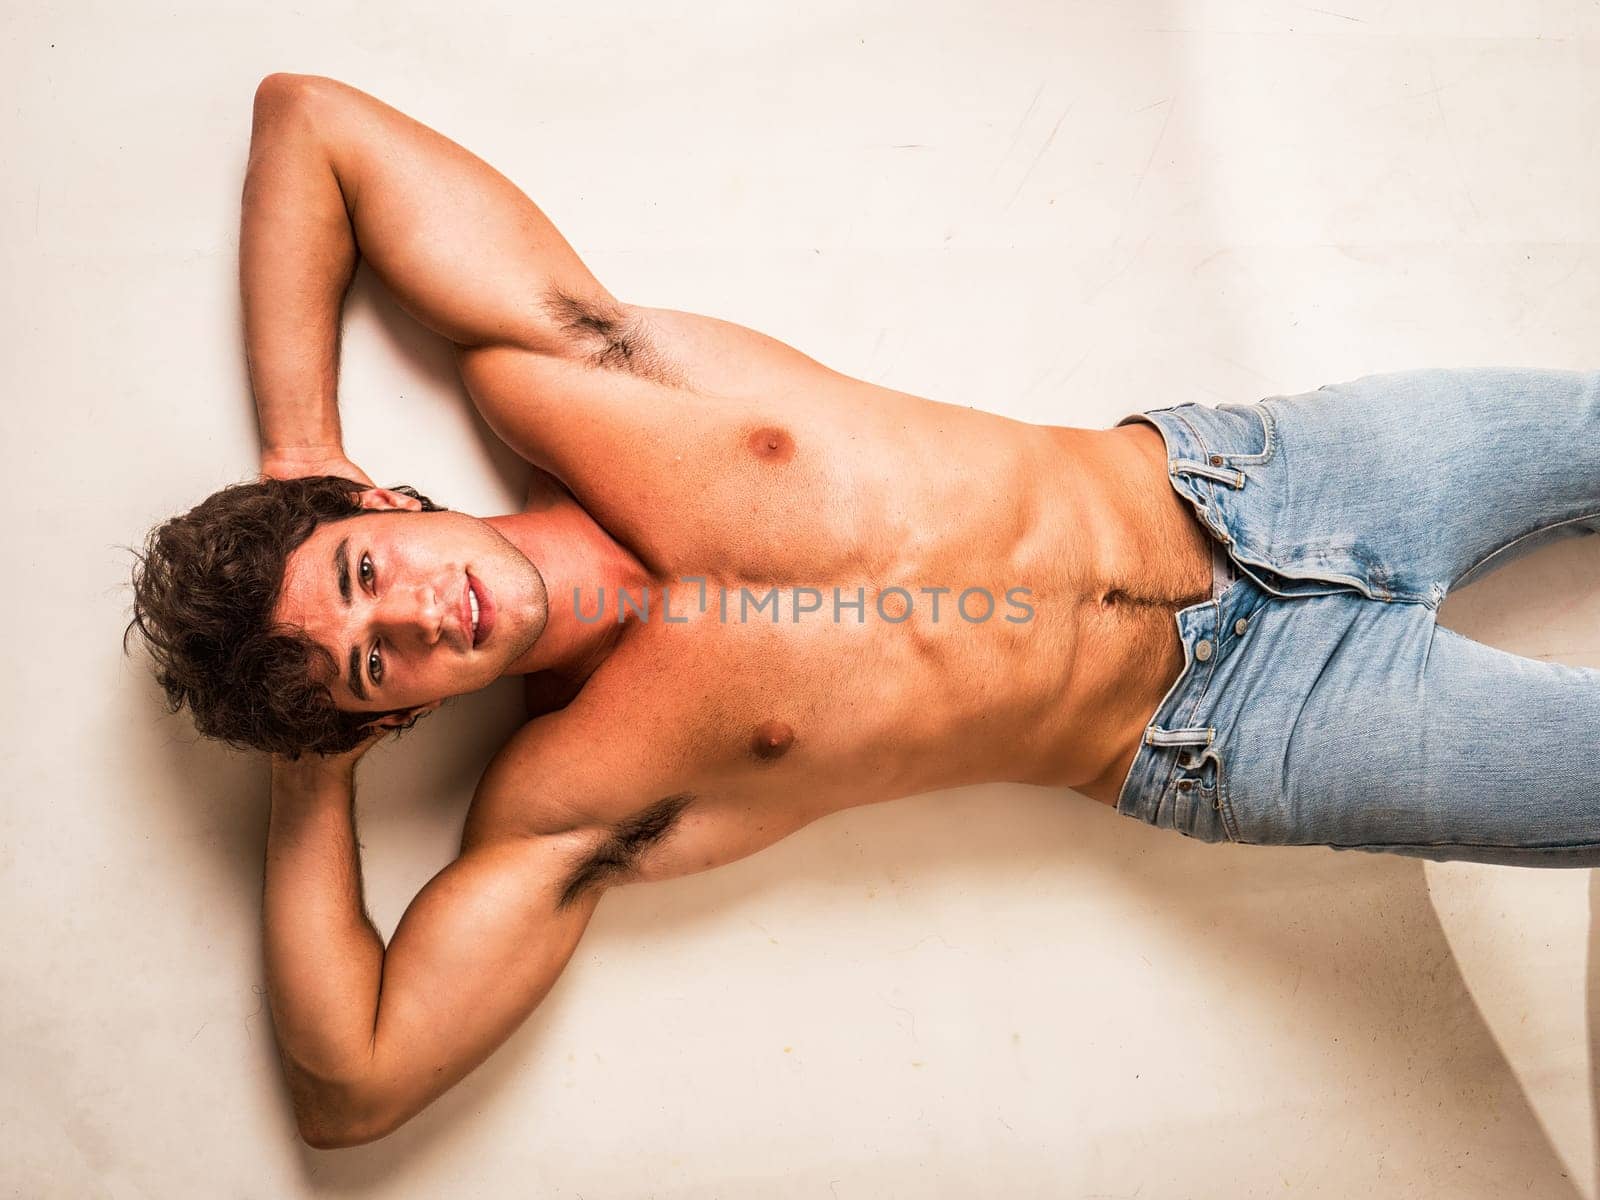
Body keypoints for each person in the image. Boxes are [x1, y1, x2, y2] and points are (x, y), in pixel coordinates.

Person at [126, 73, 1600, 1148]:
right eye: (379, 664)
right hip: (1235, 731)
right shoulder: (572, 799)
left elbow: (309, 125)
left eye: (365, 577)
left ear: (384, 504)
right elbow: (352, 1083)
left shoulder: (575, 376)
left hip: (1269, 480)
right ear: (402, 712)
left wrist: (296, 449)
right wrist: (312, 762)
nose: (422, 618)